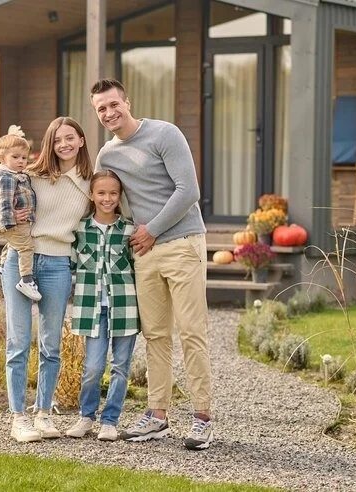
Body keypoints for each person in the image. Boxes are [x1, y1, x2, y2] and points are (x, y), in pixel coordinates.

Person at [91, 78, 214, 450]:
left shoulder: (164, 134)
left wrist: (153, 230)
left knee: (192, 331)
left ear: (127, 102)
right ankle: (157, 416)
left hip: (181, 243)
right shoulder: (106, 156)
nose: (109, 113)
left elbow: (188, 191)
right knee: (156, 335)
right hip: (143, 252)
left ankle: (203, 419)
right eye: (101, 109)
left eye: (114, 104)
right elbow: (104, 200)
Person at [2, 117, 92, 442]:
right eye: (57, 140)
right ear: (50, 145)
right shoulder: (31, 175)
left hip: (57, 264)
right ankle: (18, 418)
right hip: (20, 261)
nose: (64, 145)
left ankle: (43, 413)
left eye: (70, 138)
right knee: (18, 342)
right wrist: (9, 220)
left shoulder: (89, 184)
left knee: (51, 344)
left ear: (81, 140)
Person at [65, 170, 139, 442]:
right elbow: (70, 263)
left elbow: (137, 267)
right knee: (93, 367)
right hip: (91, 307)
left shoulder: (129, 229)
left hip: (125, 308)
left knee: (121, 366)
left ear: (120, 197)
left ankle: (110, 421)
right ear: (91, 195)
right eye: (101, 193)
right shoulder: (80, 229)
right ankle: (86, 417)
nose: (107, 198)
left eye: (113, 193)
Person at [0, 131, 41, 301]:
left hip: (14, 222)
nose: (21, 161)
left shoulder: (16, 175)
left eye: (24, 158)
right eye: (16, 157)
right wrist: (10, 221)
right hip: (13, 223)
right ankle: (26, 280)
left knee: (13, 244)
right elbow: (4, 201)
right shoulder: (6, 178)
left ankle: (3, 266)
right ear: (2, 158)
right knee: (26, 247)